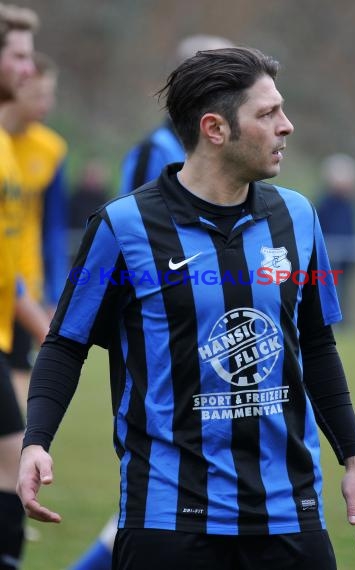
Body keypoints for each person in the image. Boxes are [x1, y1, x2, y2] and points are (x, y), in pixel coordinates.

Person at [17, 47, 355, 570]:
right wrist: (36, 443)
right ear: (215, 128)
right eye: (267, 113)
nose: (287, 126)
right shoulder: (122, 227)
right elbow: (65, 342)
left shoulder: (299, 218)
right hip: (167, 519)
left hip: (290, 514)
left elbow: (318, 347)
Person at [67, 34, 235, 570]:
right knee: (158, 488)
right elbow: (138, 234)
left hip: (211, 329)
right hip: (162, 336)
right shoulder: (152, 152)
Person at [0, 4, 49, 569]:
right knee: (14, 456)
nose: (28, 69)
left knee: (12, 458)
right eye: (17, 55)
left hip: (6, 328)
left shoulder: (11, 147)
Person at [1, 51, 69, 411]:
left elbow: (51, 229)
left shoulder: (51, 149)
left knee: (19, 415)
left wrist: (53, 293)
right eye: (41, 94)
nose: (49, 103)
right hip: (6, 286)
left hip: (24, 289)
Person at [119, 34, 233, 195]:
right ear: (190, 80)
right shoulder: (153, 152)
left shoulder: (228, 147)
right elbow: (132, 216)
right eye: (223, 77)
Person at [316, 153, 355, 320]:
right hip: (328, 259)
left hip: (346, 258)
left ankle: (343, 322)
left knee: (344, 295)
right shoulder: (324, 203)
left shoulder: (350, 204)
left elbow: (351, 229)